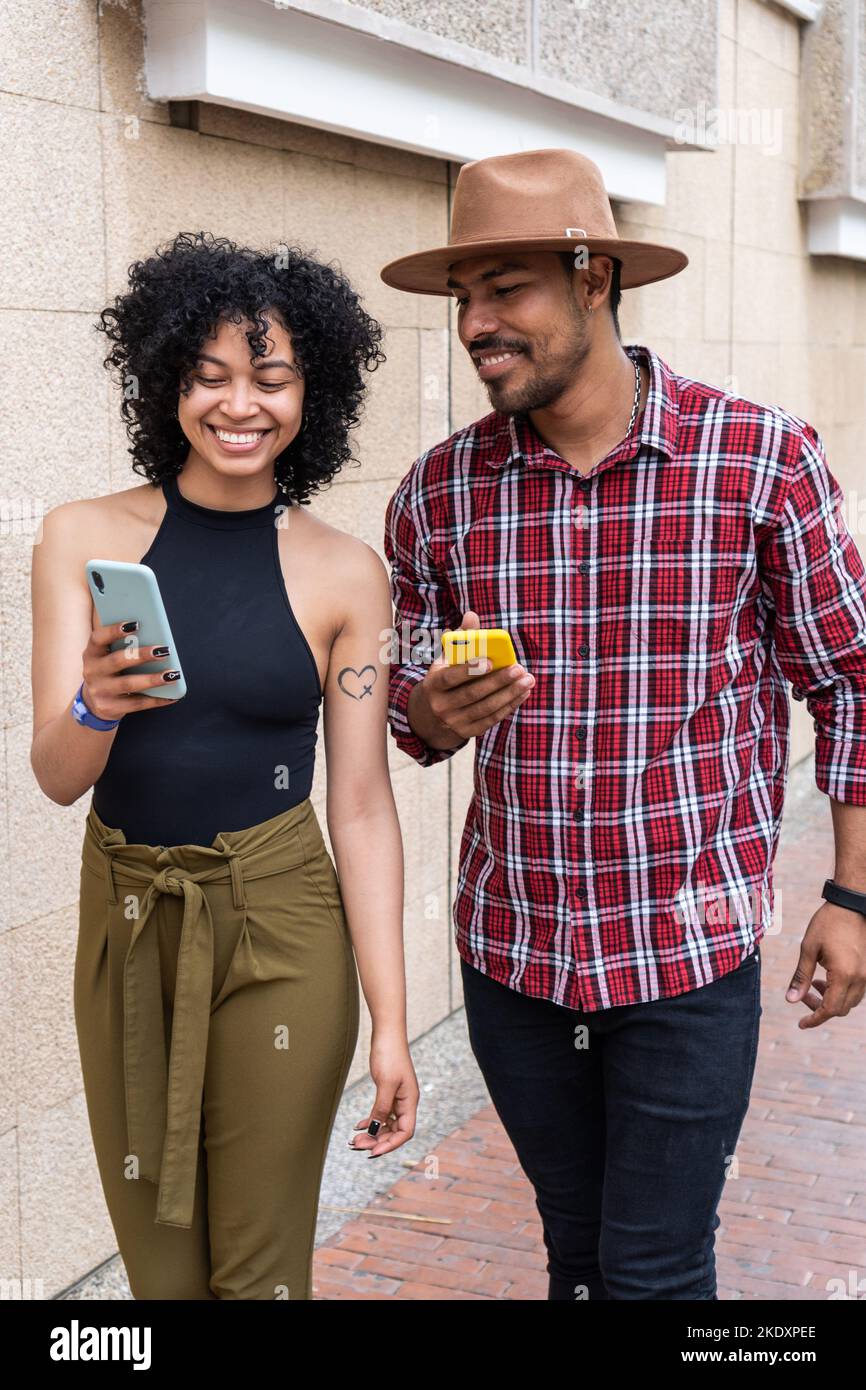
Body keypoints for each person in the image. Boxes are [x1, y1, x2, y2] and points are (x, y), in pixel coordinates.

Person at [380, 148, 866, 1300]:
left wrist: (849, 893)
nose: (475, 325)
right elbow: (398, 692)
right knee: (577, 1253)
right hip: (515, 955)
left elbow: (848, 679)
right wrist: (425, 708)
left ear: (593, 277)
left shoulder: (758, 458)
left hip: (684, 956)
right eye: (463, 299)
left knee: (654, 1267)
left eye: (506, 289)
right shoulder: (439, 493)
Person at [30, 230, 419, 1300]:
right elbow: (59, 777)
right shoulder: (80, 538)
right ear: (164, 383)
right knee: (162, 1281)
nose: (236, 404)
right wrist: (93, 704)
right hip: (128, 919)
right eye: (207, 377)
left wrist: (392, 1021)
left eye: (270, 378)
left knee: (257, 1278)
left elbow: (362, 804)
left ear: (312, 395)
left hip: (281, 925)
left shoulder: (345, 574)